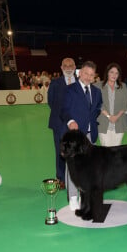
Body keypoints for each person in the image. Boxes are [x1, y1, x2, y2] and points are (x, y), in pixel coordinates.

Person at [61, 60, 102, 210]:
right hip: (75, 135)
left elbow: (97, 108)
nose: (88, 77)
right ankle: (72, 197)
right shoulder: (70, 90)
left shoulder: (97, 92)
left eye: (91, 75)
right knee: (72, 166)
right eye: (86, 73)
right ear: (80, 73)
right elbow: (64, 110)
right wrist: (71, 121)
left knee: (89, 167)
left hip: (91, 136)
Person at [47, 57, 77, 190]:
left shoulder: (80, 82)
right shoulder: (55, 83)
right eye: (66, 65)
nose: (69, 67)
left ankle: (76, 177)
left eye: (71, 65)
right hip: (59, 124)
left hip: (76, 124)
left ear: (75, 67)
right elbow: (51, 102)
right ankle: (61, 178)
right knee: (60, 152)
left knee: (77, 151)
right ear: (61, 67)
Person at [95, 63, 127, 147]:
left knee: (117, 151)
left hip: (119, 123)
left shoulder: (123, 86)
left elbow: (126, 104)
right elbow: (97, 104)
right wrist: (109, 116)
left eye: (116, 73)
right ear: (107, 73)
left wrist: (116, 117)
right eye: (112, 72)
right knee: (106, 151)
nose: (114, 75)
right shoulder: (98, 86)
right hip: (103, 123)